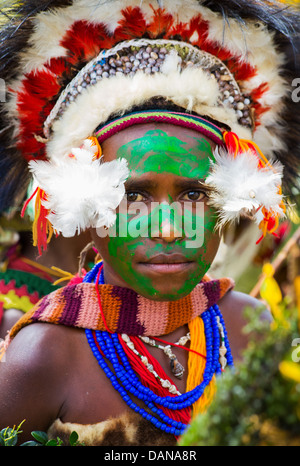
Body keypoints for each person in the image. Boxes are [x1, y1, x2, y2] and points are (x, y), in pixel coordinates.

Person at [0, 0, 299, 446]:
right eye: (132, 195)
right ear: (91, 210)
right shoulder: (44, 355)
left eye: (194, 194)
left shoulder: (251, 327)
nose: (167, 228)